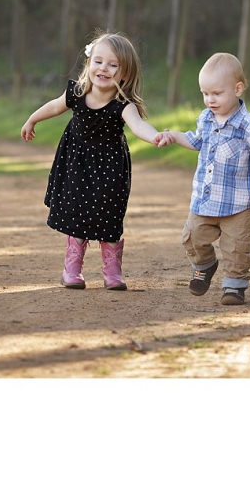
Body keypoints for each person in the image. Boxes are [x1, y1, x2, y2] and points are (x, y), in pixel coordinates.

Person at [21, 31, 168, 291]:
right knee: (77, 211)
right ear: (89, 64)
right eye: (98, 61)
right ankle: (72, 269)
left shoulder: (123, 105)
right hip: (76, 163)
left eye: (113, 65)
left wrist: (155, 136)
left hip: (110, 168)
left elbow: (138, 126)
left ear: (124, 74)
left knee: (109, 213)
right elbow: (54, 107)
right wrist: (32, 119)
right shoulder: (77, 94)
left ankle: (112, 271)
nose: (104, 68)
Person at [157, 52, 250, 305]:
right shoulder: (206, 118)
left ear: (237, 89)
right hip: (205, 199)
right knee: (191, 237)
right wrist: (173, 135)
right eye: (205, 94)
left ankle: (234, 286)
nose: (209, 100)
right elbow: (195, 140)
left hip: (237, 204)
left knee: (236, 248)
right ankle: (205, 265)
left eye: (216, 93)